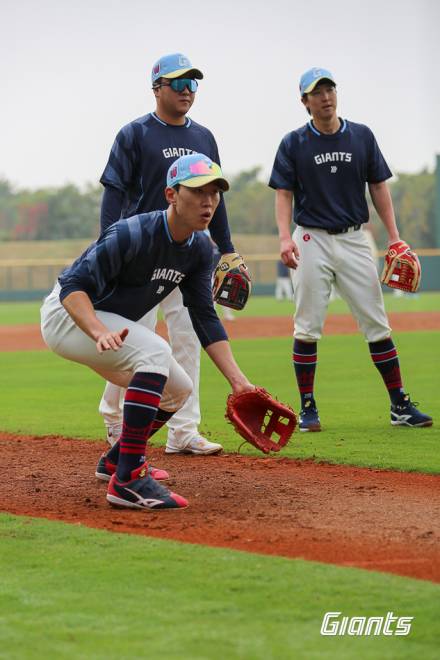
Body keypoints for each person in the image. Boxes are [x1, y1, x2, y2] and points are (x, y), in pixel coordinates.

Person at [40, 154, 254, 510]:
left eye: (215, 192)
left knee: (179, 388)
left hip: (108, 324)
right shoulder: (132, 233)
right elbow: (72, 287)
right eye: (198, 190)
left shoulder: (201, 249)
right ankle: (128, 479)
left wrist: (239, 381)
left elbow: (204, 315)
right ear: (171, 195)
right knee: (155, 351)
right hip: (68, 317)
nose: (209, 201)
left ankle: (117, 458)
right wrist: (96, 331)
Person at [269, 67, 432, 431]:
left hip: (356, 237)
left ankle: (399, 405)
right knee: (307, 326)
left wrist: (395, 236)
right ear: (304, 101)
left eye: (329, 89)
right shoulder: (294, 142)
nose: (325, 96)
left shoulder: (361, 136)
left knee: (377, 322)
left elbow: (378, 187)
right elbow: (283, 194)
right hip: (310, 237)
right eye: (317, 92)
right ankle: (308, 407)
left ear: (335, 94)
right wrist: (284, 237)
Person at [98, 52, 240, 455]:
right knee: (130, 338)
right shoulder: (135, 134)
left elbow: (215, 197)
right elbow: (114, 193)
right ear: (157, 87)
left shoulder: (204, 138)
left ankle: (183, 430)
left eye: (193, 83)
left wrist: (226, 249)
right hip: (138, 255)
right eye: (178, 83)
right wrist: (107, 249)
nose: (187, 91)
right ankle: (114, 414)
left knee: (187, 337)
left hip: (188, 253)